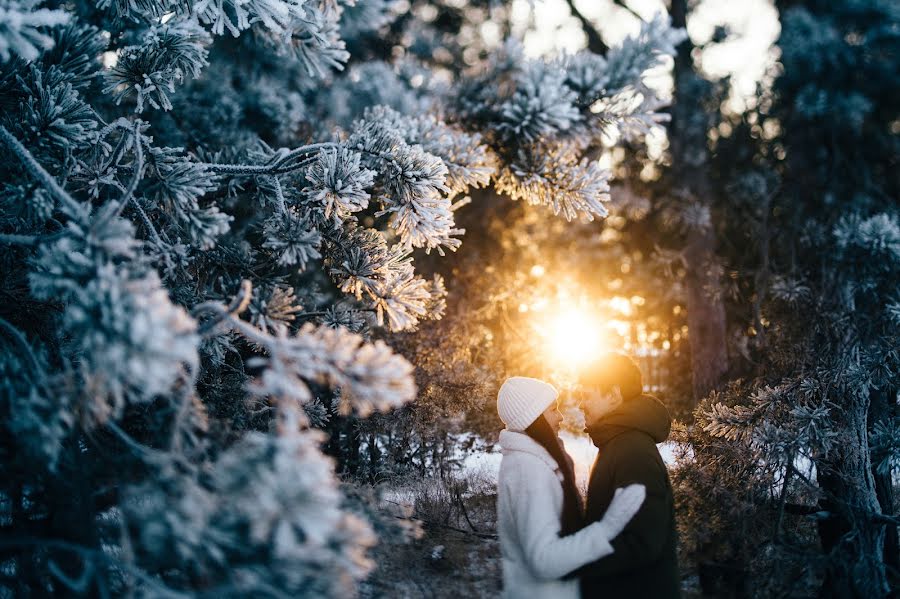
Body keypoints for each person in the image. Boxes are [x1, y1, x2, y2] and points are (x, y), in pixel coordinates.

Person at [495, 376, 646, 599]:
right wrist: (608, 527)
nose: (561, 417)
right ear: (535, 418)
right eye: (553, 410)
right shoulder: (529, 470)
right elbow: (544, 561)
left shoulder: (533, 462)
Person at [575, 352, 680, 598]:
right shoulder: (618, 442)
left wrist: (575, 559)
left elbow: (641, 541)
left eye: (587, 395)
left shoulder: (632, 450)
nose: (581, 404)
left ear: (613, 395)